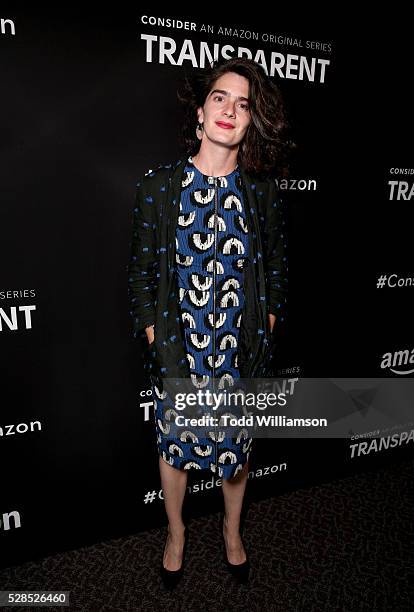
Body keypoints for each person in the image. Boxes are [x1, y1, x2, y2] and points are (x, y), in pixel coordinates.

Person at [127, 56, 289, 588]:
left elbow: (276, 266)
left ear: (250, 121)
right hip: (179, 345)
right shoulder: (160, 187)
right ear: (201, 111)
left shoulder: (260, 191)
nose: (230, 110)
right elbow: (142, 274)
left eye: (243, 104)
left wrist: (262, 326)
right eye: (220, 97)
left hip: (236, 350)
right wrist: (156, 338)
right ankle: (175, 533)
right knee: (174, 447)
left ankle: (231, 530)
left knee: (237, 453)